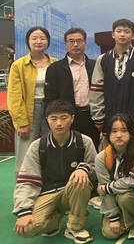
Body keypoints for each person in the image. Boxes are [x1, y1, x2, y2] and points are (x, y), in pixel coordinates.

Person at [13, 99, 97, 244]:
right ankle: (54, 219)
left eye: (64, 118)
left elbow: (95, 168)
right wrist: (24, 211)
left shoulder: (84, 141)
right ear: (47, 120)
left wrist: (83, 168)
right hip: (47, 193)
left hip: (72, 191)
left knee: (79, 181)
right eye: (54, 118)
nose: (59, 123)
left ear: (72, 118)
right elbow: (27, 180)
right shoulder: (38, 146)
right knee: (27, 229)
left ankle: (75, 227)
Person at [8, 26, 57, 177]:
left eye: (42, 38)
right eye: (34, 38)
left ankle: (51, 186)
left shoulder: (56, 64)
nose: (38, 41)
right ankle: (23, 189)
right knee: (25, 154)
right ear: (28, 41)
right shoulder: (18, 65)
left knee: (53, 149)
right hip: (28, 110)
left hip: (51, 110)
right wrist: (21, 122)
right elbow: (14, 96)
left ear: (48, 41)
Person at [90, 19, 134, 139]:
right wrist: (99, 116)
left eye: (126, 32)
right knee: (110, 149)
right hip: (108, 118)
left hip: (133, 119)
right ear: (113, 34)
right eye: (119, 31)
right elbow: (96, 90)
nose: (122, 35)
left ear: (133, 35)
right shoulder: (103, 59)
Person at [45, 27, 99, 150]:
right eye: (71, 41)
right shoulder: (55, 68)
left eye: (79, 41)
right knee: (69, 151)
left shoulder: (95, 65)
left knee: (91, 149)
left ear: (85, 43)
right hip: (67, 117)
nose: (75, 44)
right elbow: (50, 97)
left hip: (91, 117)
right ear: (66, 44)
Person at [95, 113, 134, 240]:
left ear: (131, 133)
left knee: (125, 198)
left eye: (124, 130)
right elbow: (104, 189)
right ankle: (122, 219)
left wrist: (108, 187)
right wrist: (114, 218)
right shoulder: (101, 157)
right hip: (114, 200)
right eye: (114, 131)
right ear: (108, 134)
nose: (119, 135)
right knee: (110, 233)